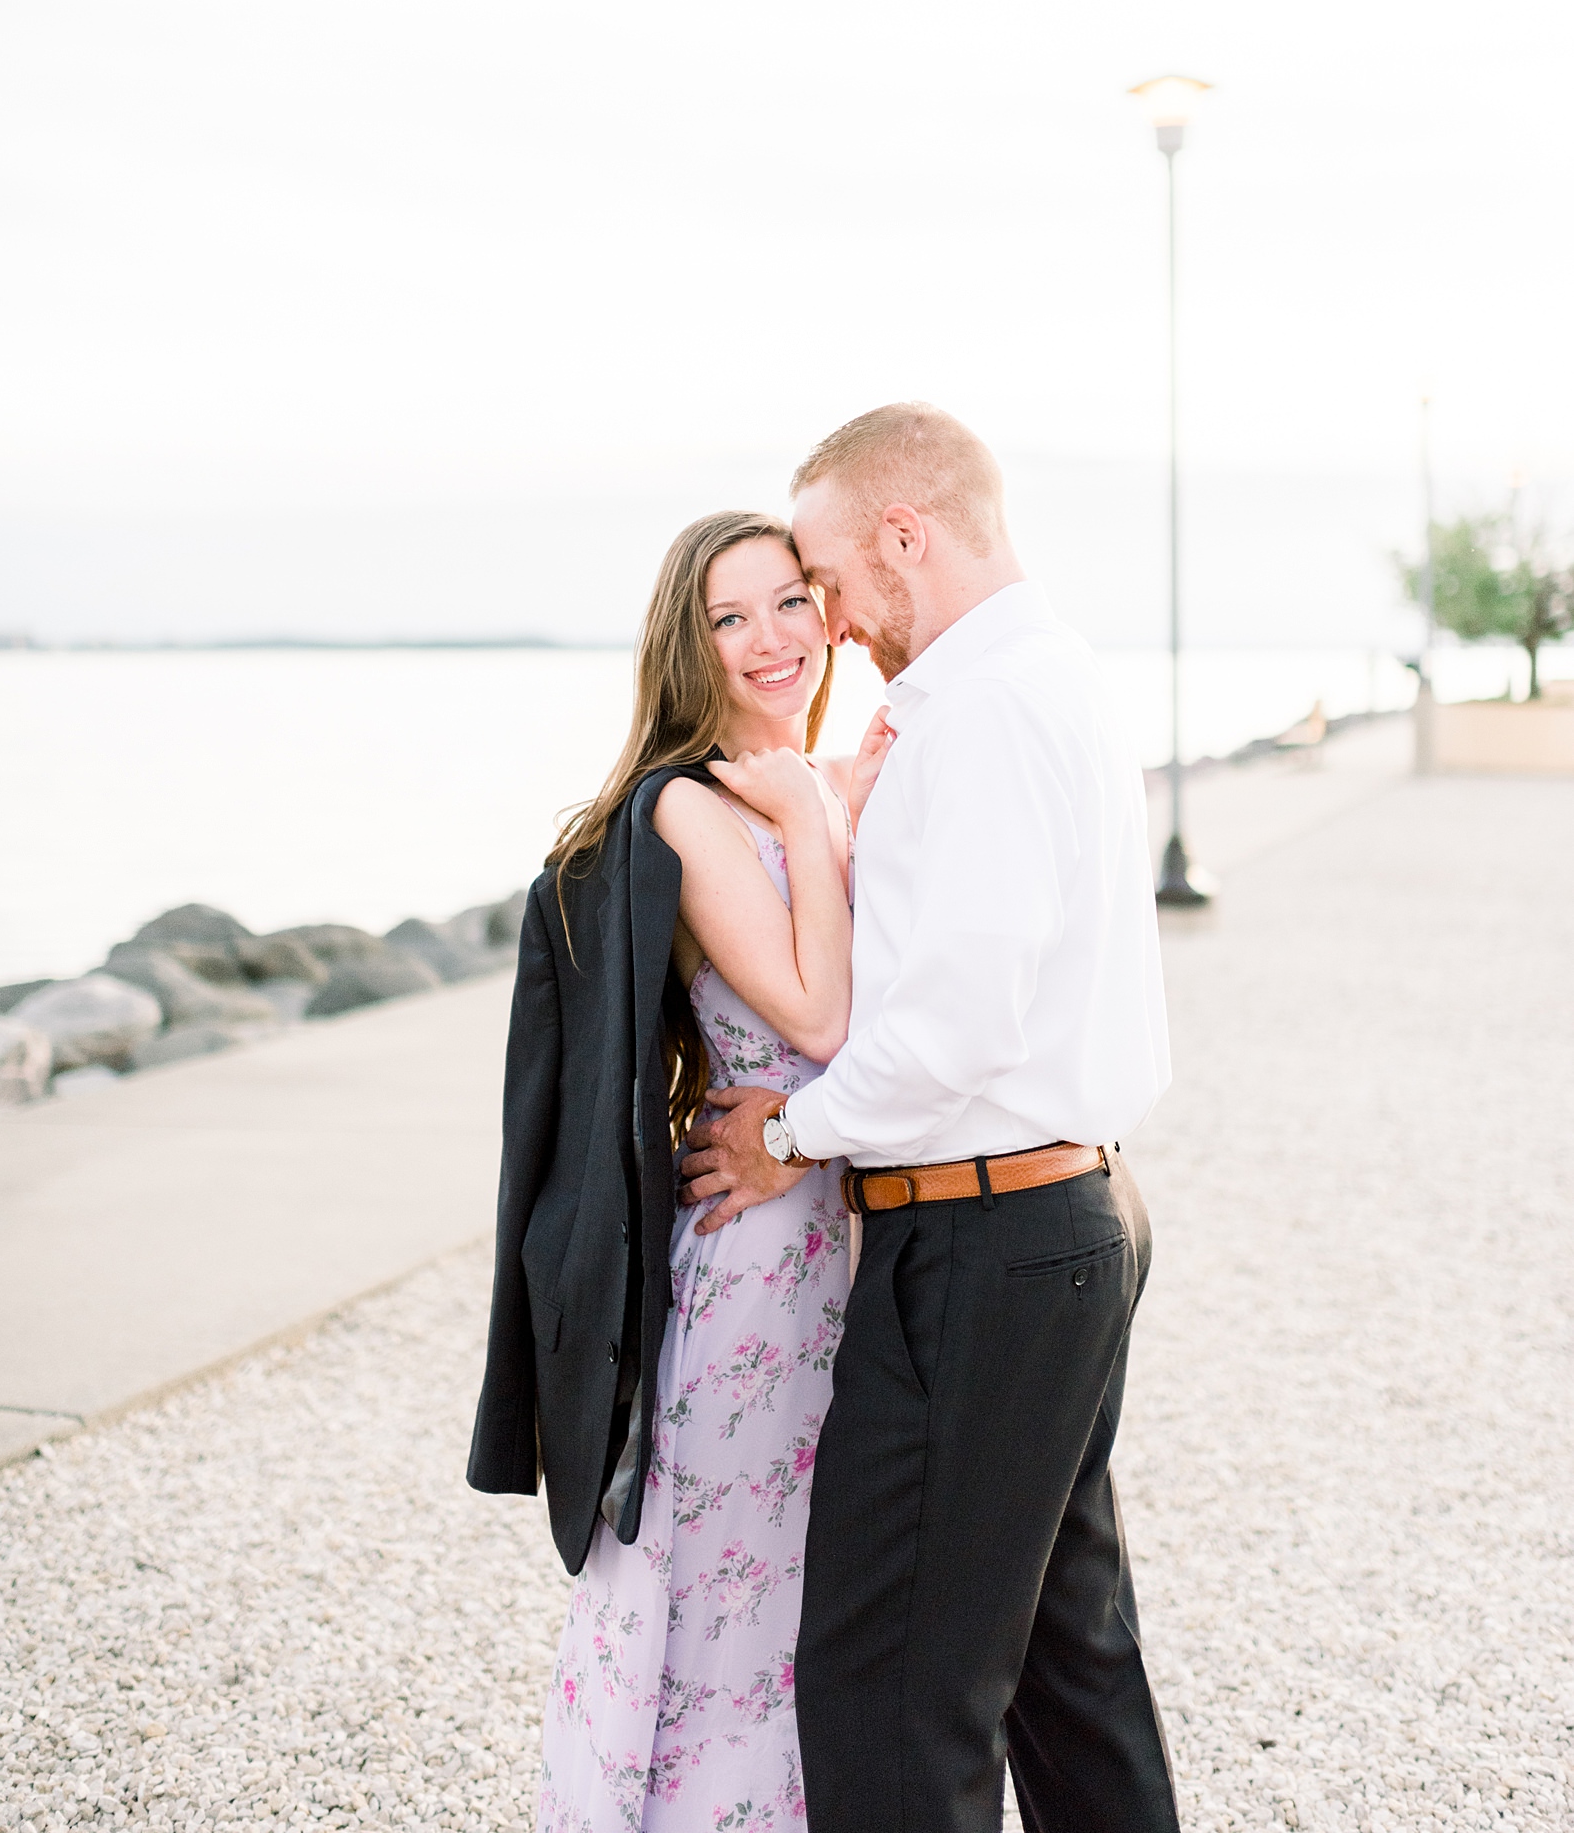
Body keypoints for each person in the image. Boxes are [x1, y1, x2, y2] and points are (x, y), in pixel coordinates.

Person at [681, 404, 1180, 1833]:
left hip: (983, 1240)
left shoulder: (979, 712)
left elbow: (953, 1025)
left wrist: (784, 1135)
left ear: (904, 538)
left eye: (824, 581)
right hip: (1058, 1218)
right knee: (1061, 1665)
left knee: (889, 1686)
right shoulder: (1040, 679)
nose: (821, 624)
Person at [469, 509, 889, 1833]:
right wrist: (819, 822)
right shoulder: (702, 807)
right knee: (724, 1610)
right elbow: (819, 1023)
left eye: (787, 604)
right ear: (686, 647)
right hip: (758, 1264)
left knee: (813, 1605)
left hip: (846, 1237)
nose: (770, 640)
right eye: (728, 617)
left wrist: (832, 802)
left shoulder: (802, 783)